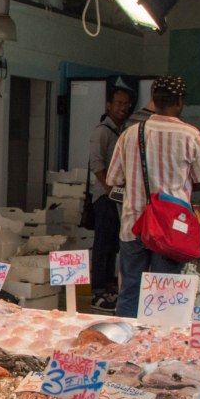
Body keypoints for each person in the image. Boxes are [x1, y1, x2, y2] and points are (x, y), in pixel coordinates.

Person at [107, 75, 200, 319]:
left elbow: (114, 178)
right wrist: (178, 185)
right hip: (171, 227)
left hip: (134, 224)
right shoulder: (191, 135)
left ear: (153, 99)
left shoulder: (131, 133)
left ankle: (124, 345)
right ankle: (158, 349)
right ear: (179, 101)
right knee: (165, 293)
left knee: (130, 289)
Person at [87, 86, 134, 314]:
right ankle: (97, 290)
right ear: (109, 104)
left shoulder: (123, 131)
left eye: (126, 104)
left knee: (114, 244)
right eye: (118, 103)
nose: (122, 108)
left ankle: (109, 286)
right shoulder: (102, 131)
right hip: (105, 198)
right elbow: (96, 165)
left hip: (118, 199)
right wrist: (110, 190)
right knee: (103, 244)